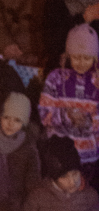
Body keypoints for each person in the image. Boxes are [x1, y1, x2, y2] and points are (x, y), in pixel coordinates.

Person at [38, 24, 99, 182]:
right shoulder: (55, 78)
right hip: (58, 156)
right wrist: (65, 115)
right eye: (76, 57)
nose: (81, 62)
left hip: (88, 157)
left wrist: (89, 121)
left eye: (87, 58)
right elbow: (44, 113)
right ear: (67, 55)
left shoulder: (97, 81)